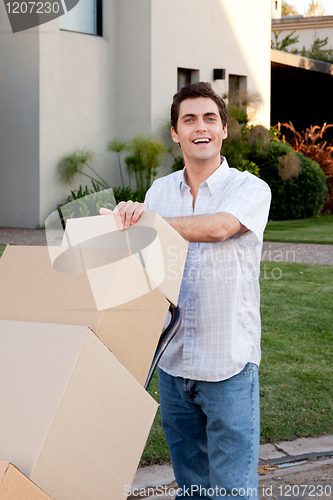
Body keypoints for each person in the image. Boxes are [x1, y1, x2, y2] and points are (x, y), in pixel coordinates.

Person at [101, 82, 271, 499]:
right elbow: (144, 267)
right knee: (192, 490)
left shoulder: (249, 188)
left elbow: (219, 228)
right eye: (189, 119)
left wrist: (150, 223)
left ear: (224, 130)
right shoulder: (159, 193)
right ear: (175, 133)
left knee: (232, 493)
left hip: (227, 364)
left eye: (209, 118)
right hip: (173, 366)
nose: (201, 127)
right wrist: (121, 224)